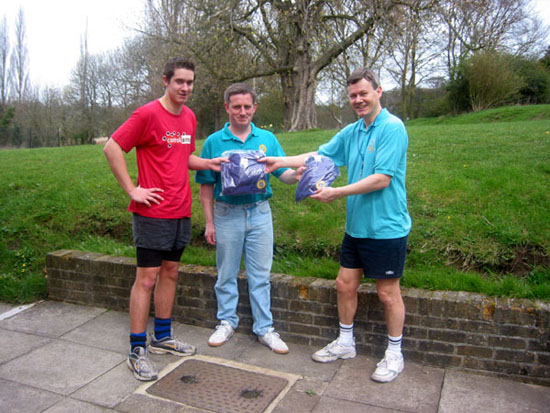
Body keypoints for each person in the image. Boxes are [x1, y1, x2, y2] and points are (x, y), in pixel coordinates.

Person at [261, 68, 411, 382]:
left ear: (378, 92)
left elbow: (382, 179)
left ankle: (395, 353)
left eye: (363, 94)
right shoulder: (354, 131)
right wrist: (278, 161)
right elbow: (320, 155)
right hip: (356, 227)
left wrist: (337, 192)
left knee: (387, 294)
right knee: (345, 284)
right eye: (353, 96)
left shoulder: (392, 128)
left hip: (387, 228)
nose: (358, 100)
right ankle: (345, 342)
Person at [104, 57, 225, 381]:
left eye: (190, 82)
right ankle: (137, 349)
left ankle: (163, 337)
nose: (185, 88)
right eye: (179, 82)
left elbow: (183, 157)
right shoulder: (146, 114)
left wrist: (208, 163)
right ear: (165, 81)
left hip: (180, 210)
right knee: (146, 278)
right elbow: (113, 148)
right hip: (152, 213)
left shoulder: (188, 117)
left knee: (170, 273)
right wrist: (132, 189)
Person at [196, 83, 302, 354]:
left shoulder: (267, 138)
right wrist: (209, 222)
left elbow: (283, 175)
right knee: (226, 272)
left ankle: (265, 329)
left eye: (247, 107)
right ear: (227, 108)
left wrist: (297, 175)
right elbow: (206, 186)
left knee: (260, 275)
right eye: (236, 107)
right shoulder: (213, 142)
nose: (242, 112)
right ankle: (226, 322)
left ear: (254, 108)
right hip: (226, 213)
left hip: (259, 212)